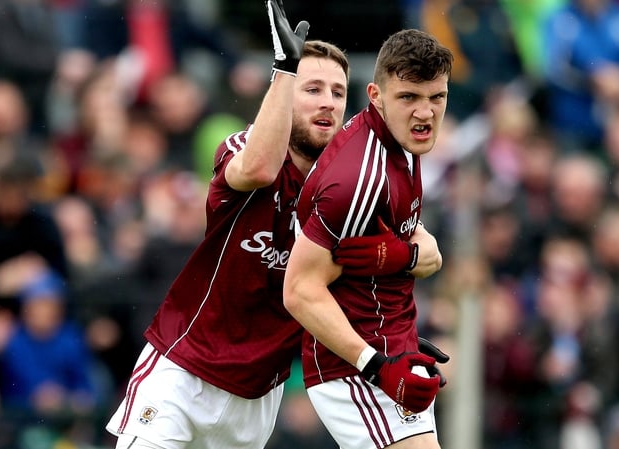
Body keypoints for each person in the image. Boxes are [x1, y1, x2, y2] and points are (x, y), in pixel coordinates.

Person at [104, 2, 442, 449]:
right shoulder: (246, 146)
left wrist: (404, 255)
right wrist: (285, 67)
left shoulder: (350, 182)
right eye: (313, 88)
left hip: (258, 396)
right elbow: (259, 169)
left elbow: (428, 248)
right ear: (283, 91)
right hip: (182, 371)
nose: (327, 102)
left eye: (339, 93)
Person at [283, 28, 453, 449]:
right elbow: (300, 290)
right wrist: (377, 364)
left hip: (392, 347)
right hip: (356, 370)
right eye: (409, 97)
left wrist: (413, 256)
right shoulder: (359, 178)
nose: (426, 113)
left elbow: (397, 249)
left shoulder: (403, 143)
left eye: (437, 98)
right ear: (375, 94)